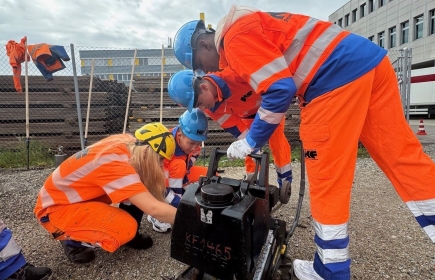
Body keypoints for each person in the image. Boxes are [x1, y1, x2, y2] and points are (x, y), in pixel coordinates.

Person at [174, 5, 435, 280]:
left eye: (200, 65)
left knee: (326, 177)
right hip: (367, 61)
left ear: (205, 44)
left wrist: (252, 139)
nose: (206, 70)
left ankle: (331, 271)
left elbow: (279, 88)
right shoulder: (247, 27)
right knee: (401, 155)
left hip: (332, 80)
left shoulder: (234, 40)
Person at [34, 122, 177, 264]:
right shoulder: (116, 165)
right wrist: (191, 220)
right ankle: (71, 240)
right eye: (160, 159)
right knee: (126, 229)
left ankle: (129, 236)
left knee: (141, 183)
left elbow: (144, 193)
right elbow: (153, 208)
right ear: (146, 151)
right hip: (54, 210)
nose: (161, 165)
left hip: (72, 198)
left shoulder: (129, 143)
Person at [168, 68, 292, 203]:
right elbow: (239, 130)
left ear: (204, 87)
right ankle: (253, 181)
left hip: (270, 109)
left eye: (199, 103)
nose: (203, 109)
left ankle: (285, 182)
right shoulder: (212, 108)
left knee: (278, 143)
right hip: (247, 116)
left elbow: (273, 85)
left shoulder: (235, 75)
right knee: (247, 149)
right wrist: (253, 149)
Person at [146, 109, 209, 233]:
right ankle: (158, 213)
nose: (195, 147)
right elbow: (158, 183)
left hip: (176, 174)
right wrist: (179, 205)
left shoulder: (193, 145)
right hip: (157, 181)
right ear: (179, 136)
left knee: (209, 175)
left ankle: (180, 197)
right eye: (191, 143)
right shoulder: (163, 145)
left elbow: (190, 163)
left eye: (198, 143)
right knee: (179, 166)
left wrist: (185, 182)